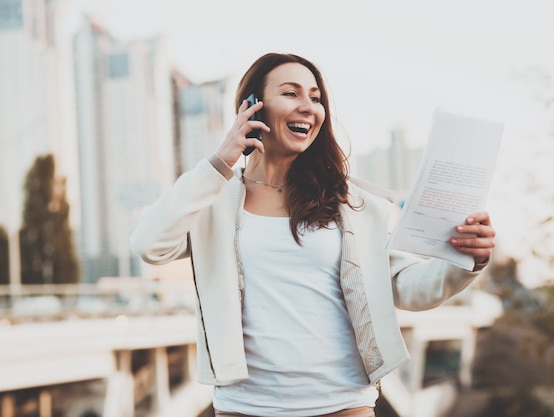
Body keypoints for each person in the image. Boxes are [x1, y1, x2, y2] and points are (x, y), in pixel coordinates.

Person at [130, 53, 495, 417]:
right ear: (251, 107)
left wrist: (466, 261)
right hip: (245, 407)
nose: (308, 107)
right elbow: (149, 246)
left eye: (316, 98)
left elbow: (403, 285)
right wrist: (219, 163)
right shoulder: (212, 198)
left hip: (343, 404)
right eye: (291, 93)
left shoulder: (350, 203)